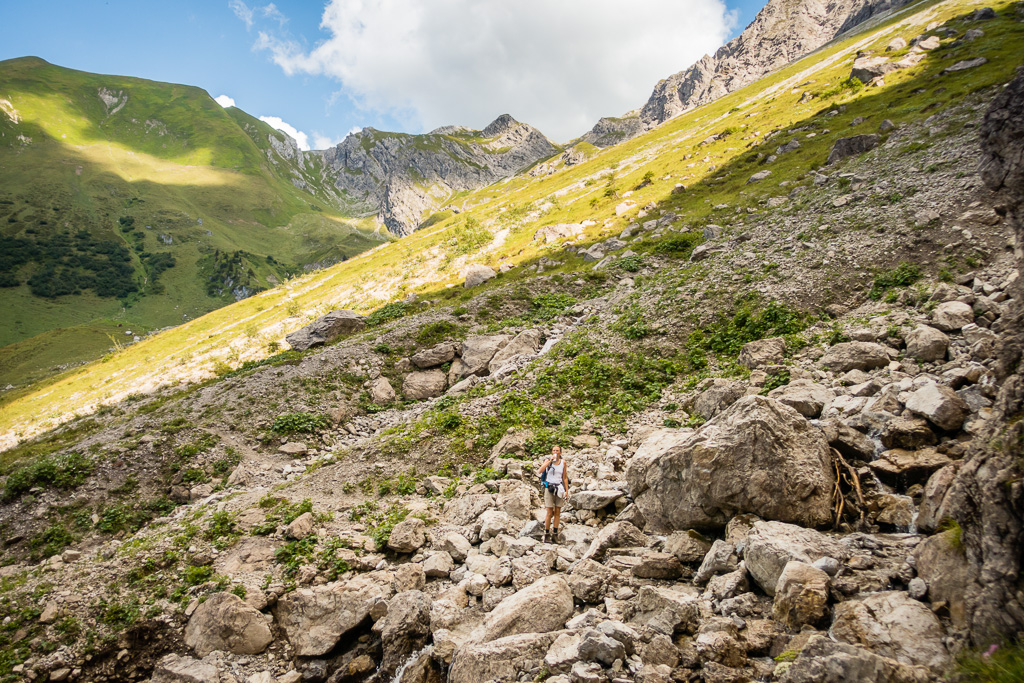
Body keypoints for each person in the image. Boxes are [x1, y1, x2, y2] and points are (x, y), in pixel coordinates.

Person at [536, 445, 569, 543]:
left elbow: (565, 477)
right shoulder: (547, 461)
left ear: (560, 452)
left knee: (558, 511)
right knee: (549, 511)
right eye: (554, 450)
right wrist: (550, 461)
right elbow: (540, 470)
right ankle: (546, 534)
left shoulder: (563, 462)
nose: (555, 452)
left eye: (557, 450)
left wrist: (567, 490)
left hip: (559, 487)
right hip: (549, 487)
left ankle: (555, 533)